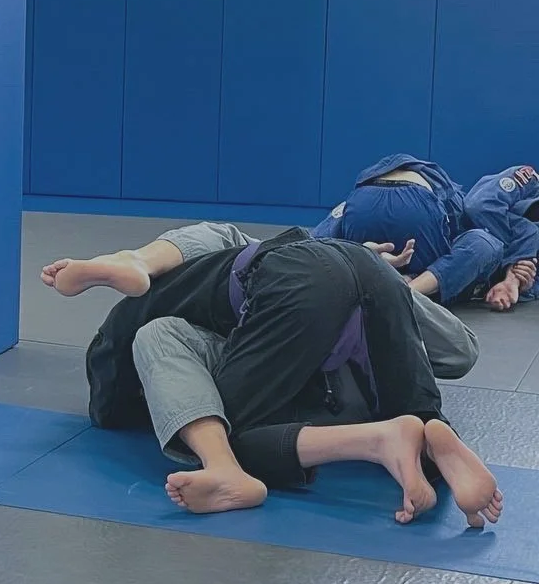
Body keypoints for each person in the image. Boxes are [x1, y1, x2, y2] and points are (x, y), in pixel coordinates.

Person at [43, 224, 503, 528]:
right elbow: (460, 351)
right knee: (418, 411)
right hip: (367, 271)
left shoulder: (139, 327)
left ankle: (375, 441)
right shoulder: (242, 249)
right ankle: (431, 434)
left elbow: (108, 406)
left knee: (225, 437)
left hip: (295, 286)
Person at [313, 154, 506, 305]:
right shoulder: (457, 197)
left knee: (318, 247)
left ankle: (374, 270)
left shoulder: (382, 174)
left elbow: (318, 239)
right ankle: (411, 289)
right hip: (417, 205)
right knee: (487, 244)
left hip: (363, 200)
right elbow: (475, 247)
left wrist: (354, 251)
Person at [462, 164, 539, 310]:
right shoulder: (529, 181)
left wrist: (519, 283)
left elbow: (529, 285)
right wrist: (516, 256)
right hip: (441, 227)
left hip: (458, 276)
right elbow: (479, 207)